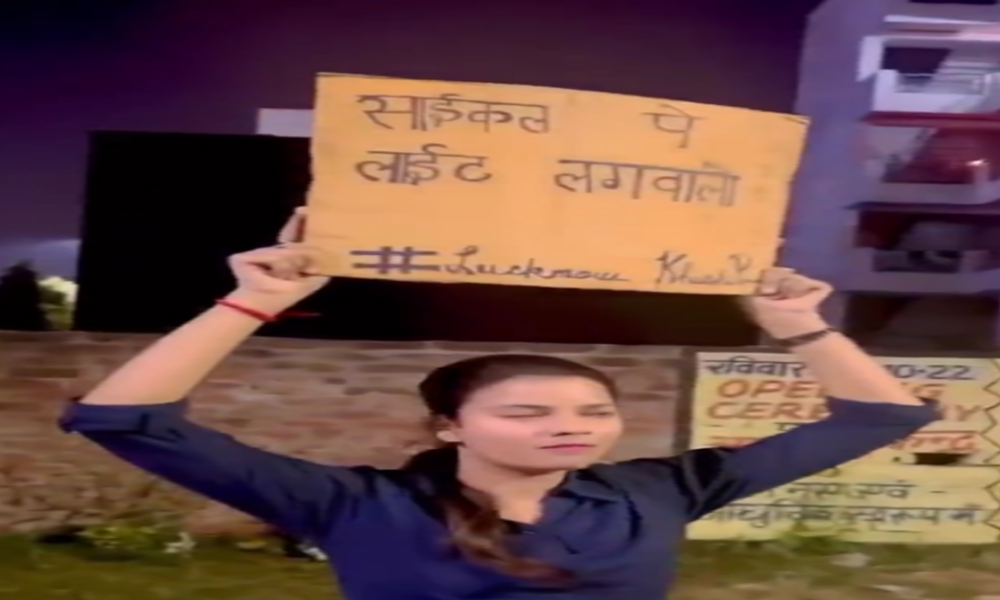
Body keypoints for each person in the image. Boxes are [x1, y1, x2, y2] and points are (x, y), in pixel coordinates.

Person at [59, 211, 939, 600]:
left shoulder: (658, 491)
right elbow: (124, 418)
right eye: (527, 413)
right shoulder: (353, 505)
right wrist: (248, 304)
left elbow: (878, 417)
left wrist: (797, 327)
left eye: (593, 412)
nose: (571, 427)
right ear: (451, 427)